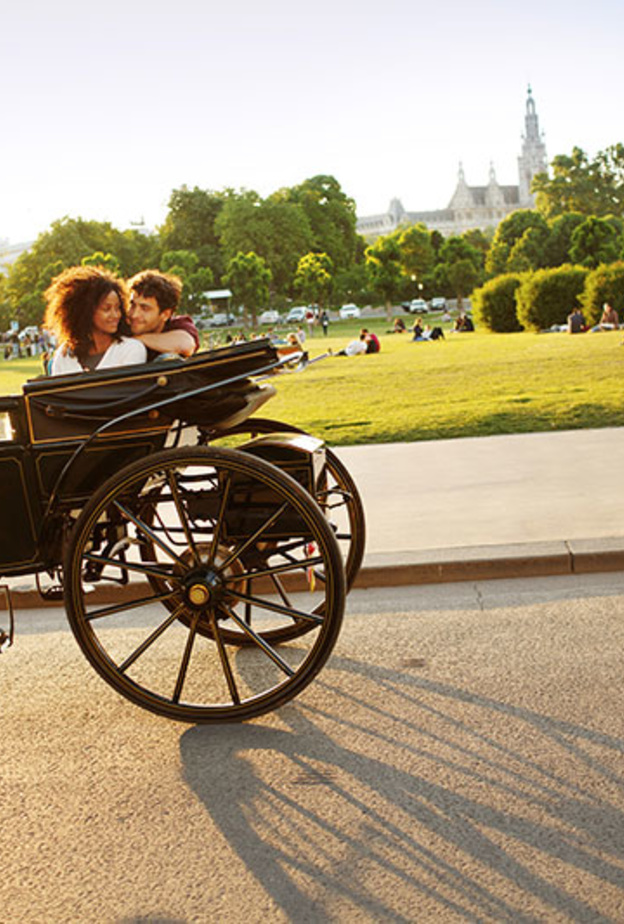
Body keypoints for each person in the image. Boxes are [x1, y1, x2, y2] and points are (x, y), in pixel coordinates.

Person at [44, 266, 147, 375]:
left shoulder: (131, 349)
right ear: (86, 312)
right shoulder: (64, 356)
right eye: (106, 309)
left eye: (117, 308)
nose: (115, 315)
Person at [126, 270, 199, 359]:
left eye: (145, 308)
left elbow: (185, 346)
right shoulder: (122, 324)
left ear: (165, 314)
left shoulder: (179, 325)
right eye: (132, 305)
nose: (134, 314)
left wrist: (135, 339)